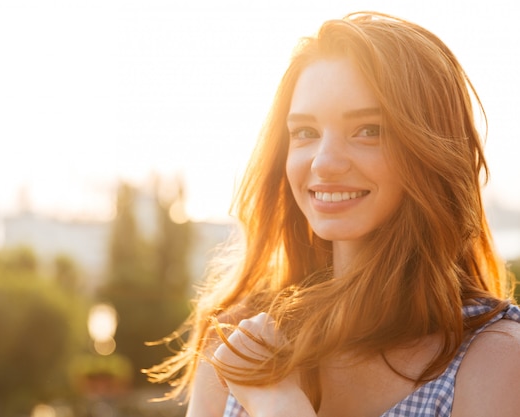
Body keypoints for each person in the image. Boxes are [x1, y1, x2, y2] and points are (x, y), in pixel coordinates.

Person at [146, 11, 520, 417]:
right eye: (305, 132)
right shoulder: (239, 341)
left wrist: (280, 405)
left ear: (433, 149)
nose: (324, 162)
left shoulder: (495, 362)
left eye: (368, 130)